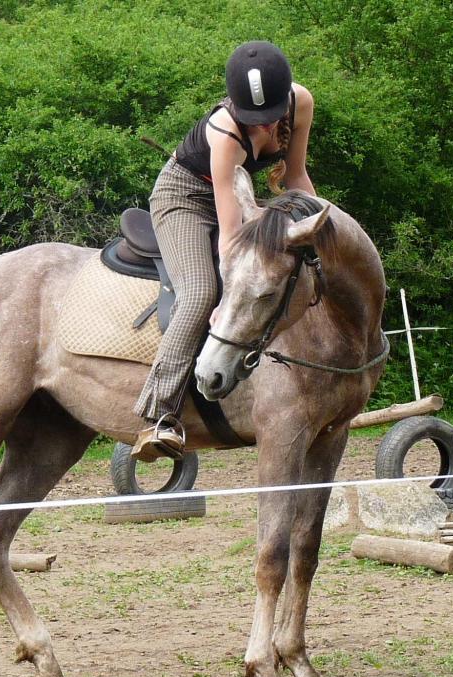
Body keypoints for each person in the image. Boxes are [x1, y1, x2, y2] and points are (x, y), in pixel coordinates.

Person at [131, 40, 317, 462]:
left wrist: (325, 230)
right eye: (255, 118)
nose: (265, 126)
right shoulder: (225, 132)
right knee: (200, 293)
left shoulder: (301, 102)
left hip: (240, 195)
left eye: (271, 115)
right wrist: (227, 297)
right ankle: (160, 415)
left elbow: (296, 177)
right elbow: (230, 237)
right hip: (184, 200)